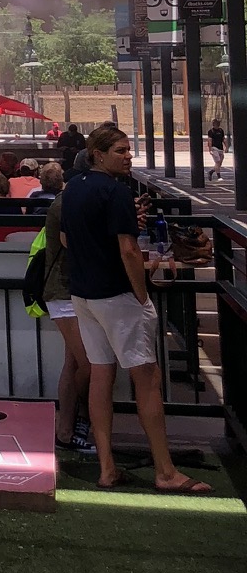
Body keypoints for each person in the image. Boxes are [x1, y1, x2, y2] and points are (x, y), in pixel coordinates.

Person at [61, 123, 210, 495]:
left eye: (128, 150)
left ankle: (107, 468)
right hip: (117, 296)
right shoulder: (116, 192)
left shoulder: (73, 188)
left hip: (83, 295)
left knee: (101, 373)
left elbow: (64, 238)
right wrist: (142, 294)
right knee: (147, 378)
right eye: (121, 151)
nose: (128, 157)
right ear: (98, 155)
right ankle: (165, 471)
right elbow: (128, 249)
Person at [31, 181, 94, 454]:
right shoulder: (68, 203)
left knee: (75, 362)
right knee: (90, 364)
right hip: (64, 292)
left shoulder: (67, 200)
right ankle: (76, 422)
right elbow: (75, 242)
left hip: (70, 291)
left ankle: (67, 430)